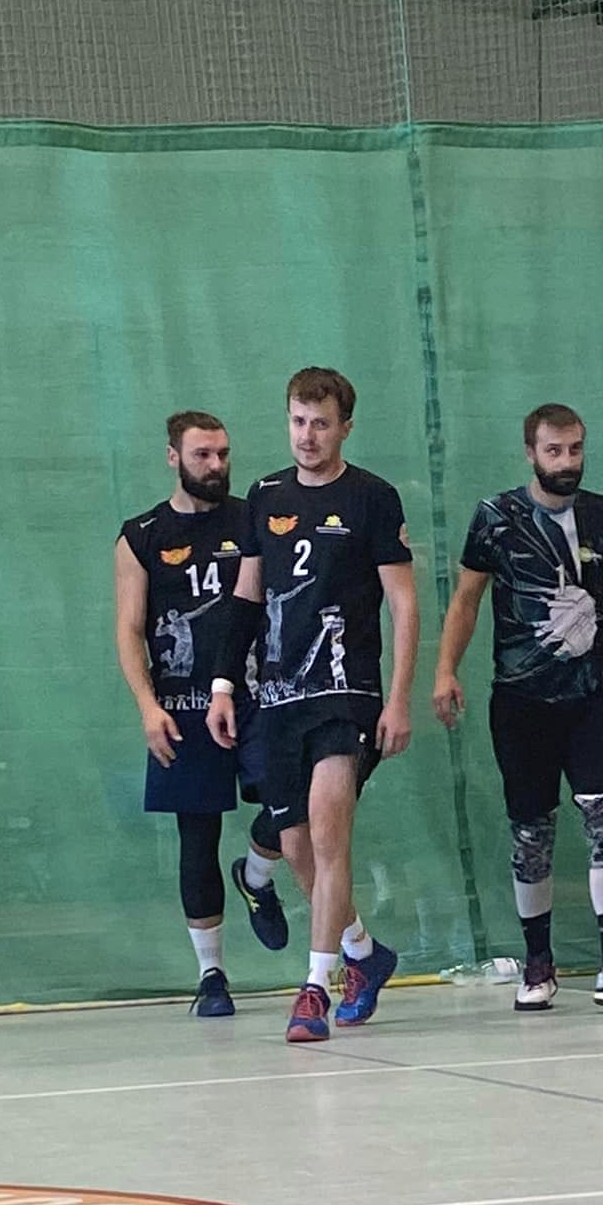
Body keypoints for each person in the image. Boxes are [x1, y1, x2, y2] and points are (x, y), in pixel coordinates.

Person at [207, 367, 418, 1042]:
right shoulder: (265, 495)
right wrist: (222, 685)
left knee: (329, 837)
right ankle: (364, 953)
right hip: (278, 698)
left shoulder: (372, 498)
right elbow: (246, 598)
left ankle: (313, 991)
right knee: (296, 846)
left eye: (321, 423)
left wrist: (399, 698)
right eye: (299, 421)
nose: (308, 435)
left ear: (345, 428)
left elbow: (404, 604)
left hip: (346, 695)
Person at [431, 404, 603, 1013]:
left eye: (575, 449)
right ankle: (538, 962)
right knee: (531, 831)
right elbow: (466, 600)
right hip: (522, 701)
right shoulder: (495, 517)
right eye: (554, 451)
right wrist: (446, 669)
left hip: (594, 697)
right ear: (530, 453)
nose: (567, 462)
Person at [114, 410, 288, 1017]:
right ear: (173, 458)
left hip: (257, 693)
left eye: (222, 454)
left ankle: (257, 875)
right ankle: (211, 975)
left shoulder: (254, 519)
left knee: (291, 804)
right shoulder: (141, 535)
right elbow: (128, 628)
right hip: (184, 706)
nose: (216, 466)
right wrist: (147, 706)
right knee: (197, 836)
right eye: (202, 455)